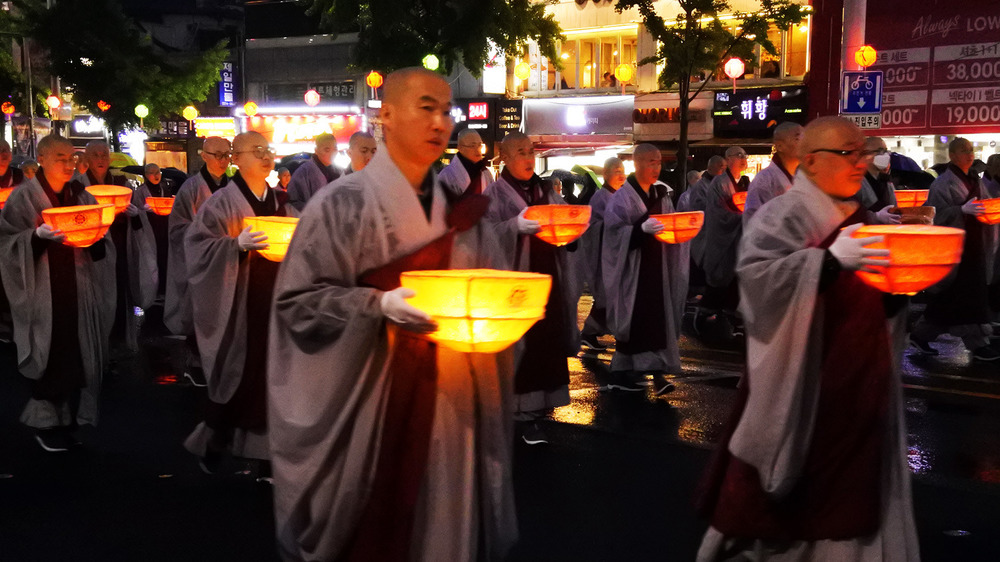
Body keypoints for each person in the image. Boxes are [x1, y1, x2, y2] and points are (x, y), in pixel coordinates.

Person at [267, 67, 516, 562]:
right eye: (426, 107)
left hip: (453, 395)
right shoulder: (342, 203)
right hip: (373, 398)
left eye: (447, 110)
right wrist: (376, 305)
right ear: (386, 115)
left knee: (445, 522)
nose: (440, 122)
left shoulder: (461, 212)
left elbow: (493, 293)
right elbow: (297, 304)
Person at [696, 116, 918, 561]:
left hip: (862, 368)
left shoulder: (859, 213)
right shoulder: (785, 211)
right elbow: (757, 280)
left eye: (864, 153)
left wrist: (899, 291)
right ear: (812, 161)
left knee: (857, 482)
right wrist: (826, 263)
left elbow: (878, 285)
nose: (861, 162)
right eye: (849, 153)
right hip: (806, 374)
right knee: (797, 491)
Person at [183, 131, 296, 473]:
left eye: (268, 150)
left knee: (273, 378)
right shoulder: (221, 203)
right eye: (256, 150)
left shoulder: (281, 201)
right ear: (237, 158)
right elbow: (196, 246)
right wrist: (235, 246)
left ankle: (264, 458)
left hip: (275, 302)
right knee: (238, 377)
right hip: (239, 304)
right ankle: (214, 440)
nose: (265, 156)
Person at [0, 134, 116, 452]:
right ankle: (45, 421)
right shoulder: (23, 197)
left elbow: (99, 233)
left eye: (71, 158)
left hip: (79, 284)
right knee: (51, 352)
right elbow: (6, 243)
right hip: (43, 287)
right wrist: (35, 237)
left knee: (78, 352)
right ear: (43, 158)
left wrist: (96, 236)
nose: (68, 165)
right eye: (60, 158)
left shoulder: (80, 193)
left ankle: (67, 419)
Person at [484, 131, 577, 445]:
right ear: (506, 158)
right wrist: (513, 227)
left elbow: (563, 219)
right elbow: (482, 237)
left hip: (547, 275)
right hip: (516, 283)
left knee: (546, 340)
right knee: (522, 344)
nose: (528, 157)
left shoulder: (546, 188)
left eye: (531, 151)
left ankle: (539, 407)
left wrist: (572, 229)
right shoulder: (495, 194)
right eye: (520, 152)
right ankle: (520, 414)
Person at [602, 144, 690, 395]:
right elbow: (613, 235)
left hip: (658, 267)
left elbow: (671, 225)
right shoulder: (622, 197)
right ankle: (642, 374)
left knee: (657, 319)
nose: (656, 167)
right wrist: (639, 231)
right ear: (637, 164)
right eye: (651, 162)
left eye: (659, 162)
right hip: (633, 271)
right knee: (637, 320)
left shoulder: (661, 195)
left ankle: (642, 373)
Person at [910, 137, 1000, 361]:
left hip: (975, 245)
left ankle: (921, 334)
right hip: (955, 249)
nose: (969, 154)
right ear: (952, 156)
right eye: (963, 150)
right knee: (967, 296)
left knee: (948, 302)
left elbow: (987, 205)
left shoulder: (975, 180)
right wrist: (961, 210)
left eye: (971, 150)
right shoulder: (942, 183)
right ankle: (978, 343)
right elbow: (935, 215)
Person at [164, 136, 232, 387]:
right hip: (201, 261)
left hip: (226, 260)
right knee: (199, 313)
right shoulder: (191, 188)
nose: (224, 160)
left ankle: (222, 363)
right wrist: (202, 236)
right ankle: (195, 364)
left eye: (228, 154)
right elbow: (177, 228)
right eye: (218, 155)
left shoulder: (233, 186)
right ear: (204, 155)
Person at [72, 140, 152, 349]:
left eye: (104, 155)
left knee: (119, 296)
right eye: (96, 155)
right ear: (87, 159)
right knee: (97, 300)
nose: (100, 160)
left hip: (120, 249)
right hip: (91, 254)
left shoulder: (121, 184)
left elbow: (136, 217)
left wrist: (135, 216)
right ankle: (98, 349)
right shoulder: (78, 187)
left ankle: (118, 346)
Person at [698, 146, 750, 336]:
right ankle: (704, 319)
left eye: (745, 155)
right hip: (722, 239)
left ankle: (731, 322)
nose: (743, 159)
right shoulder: (719, 183)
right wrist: (742, 215)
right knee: (720, 280)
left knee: (736, 282)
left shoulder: (743, 181)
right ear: (728, 160)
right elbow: (718, 215)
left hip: (739, 239)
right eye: (739, 155)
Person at [579, 157, 626, 351]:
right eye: (616, 171)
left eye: (622, 170)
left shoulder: (622, 195)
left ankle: (592, 333)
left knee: (614, 297)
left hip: (618, 254)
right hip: (604, 255)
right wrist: (615, 227)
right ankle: (594, 333)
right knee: (607, 297)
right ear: (605, 175)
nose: (621, 174)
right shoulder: (601, 197)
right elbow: (593, 227)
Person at [743, 122, 802, 223]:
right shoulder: (763, 181)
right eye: (797, 138)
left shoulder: (804, 178)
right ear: (779, 146)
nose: (804, 143)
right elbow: (754, 225)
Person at [0, 140, 26, 342]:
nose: (3, 154)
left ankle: (12, 320)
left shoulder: (19, 176)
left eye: (6, 150)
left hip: (13, 233)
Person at [132, 164, 170, 298]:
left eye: (158, 172)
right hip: (150, 228)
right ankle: (154, 289)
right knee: (152, 259)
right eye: (152, 172)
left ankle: (164, 288)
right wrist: (143, 211)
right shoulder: (140, 191)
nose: (156, 175)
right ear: (146, 175)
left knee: (165, 257)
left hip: (164, 227)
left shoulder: (164, 188)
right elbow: (136, 210)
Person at [850, 136, 901, 225]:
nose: (885, 155)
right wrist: (876, 217)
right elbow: (849, 214)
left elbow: (894, 207)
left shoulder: (886, 181)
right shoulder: (855, 181)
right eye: (880, 151)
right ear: (865, 154)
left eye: (886, 151)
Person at [286, 132, 340, 211]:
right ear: (316, 150)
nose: (332, 153)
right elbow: (293, 203)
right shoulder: (304, 172)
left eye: (335, 149)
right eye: (327, 150)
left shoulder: (338, 171)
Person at [438, 129, 494, 198]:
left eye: (480, 145)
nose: (477, 149)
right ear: (460, 148)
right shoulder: (447, 175)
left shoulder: (486, 173)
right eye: (472, 146)